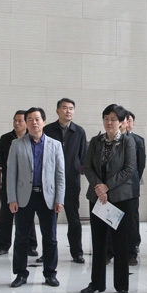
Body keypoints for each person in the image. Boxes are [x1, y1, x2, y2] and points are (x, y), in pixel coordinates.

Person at [81, 104, 136, 293]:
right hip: (97, 197)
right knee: (98, 241)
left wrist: (107, 186)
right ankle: (97, 283)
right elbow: (87, 167)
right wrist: (99, 187)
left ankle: (121, 285)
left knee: (120, 242)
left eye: (113, 119)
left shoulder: (128, 142)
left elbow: (129, 169)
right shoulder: (96, 141)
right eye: (106, 118)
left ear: (121, 122)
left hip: (119, 198)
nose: (109, 122)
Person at [7, 107, 65, 288]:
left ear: (44, 122)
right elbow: (11, 174)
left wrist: (59, 199)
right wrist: (12, 198)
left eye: (37, 119)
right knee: (21, 237)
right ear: (26, 123)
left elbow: (60, 175)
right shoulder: (17, 144)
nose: (34, 122)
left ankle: (50, 273)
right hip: (24, 196)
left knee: (50, 237)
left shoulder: (55, 145)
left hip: (48, 197)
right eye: (30, 119)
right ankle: (20, 274)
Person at [43, 98, 88, 264]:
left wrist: (75, 169)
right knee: (49, 220)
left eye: (71, 108)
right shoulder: (47, 130)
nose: (68, 111)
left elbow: (83, 157)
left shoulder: (79, 131)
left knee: (73, 218)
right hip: (50, 182)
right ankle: (48, 253)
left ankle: (77, 252)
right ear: (57, 111)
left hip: (71, 181)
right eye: (64, 108)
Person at [0, 110, 38, 257]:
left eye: (20, 120)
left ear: (26, 122)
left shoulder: (32, 138)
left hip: (27, 183)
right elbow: (1, 159)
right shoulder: (6, 138)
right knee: (6, 215)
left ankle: (31, 245)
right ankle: (3, 245)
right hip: (10, 182)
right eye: (15, 120)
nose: (17, 123)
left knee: (28, 215)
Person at [126, 110, 146, 266]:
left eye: (130, 120)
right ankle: (110, 251)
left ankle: (132, 250)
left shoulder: (138, 140)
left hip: (131, 187)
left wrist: (133, 181)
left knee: (131, 219)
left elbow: (140, 165)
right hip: (112, 189)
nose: (127, 123)